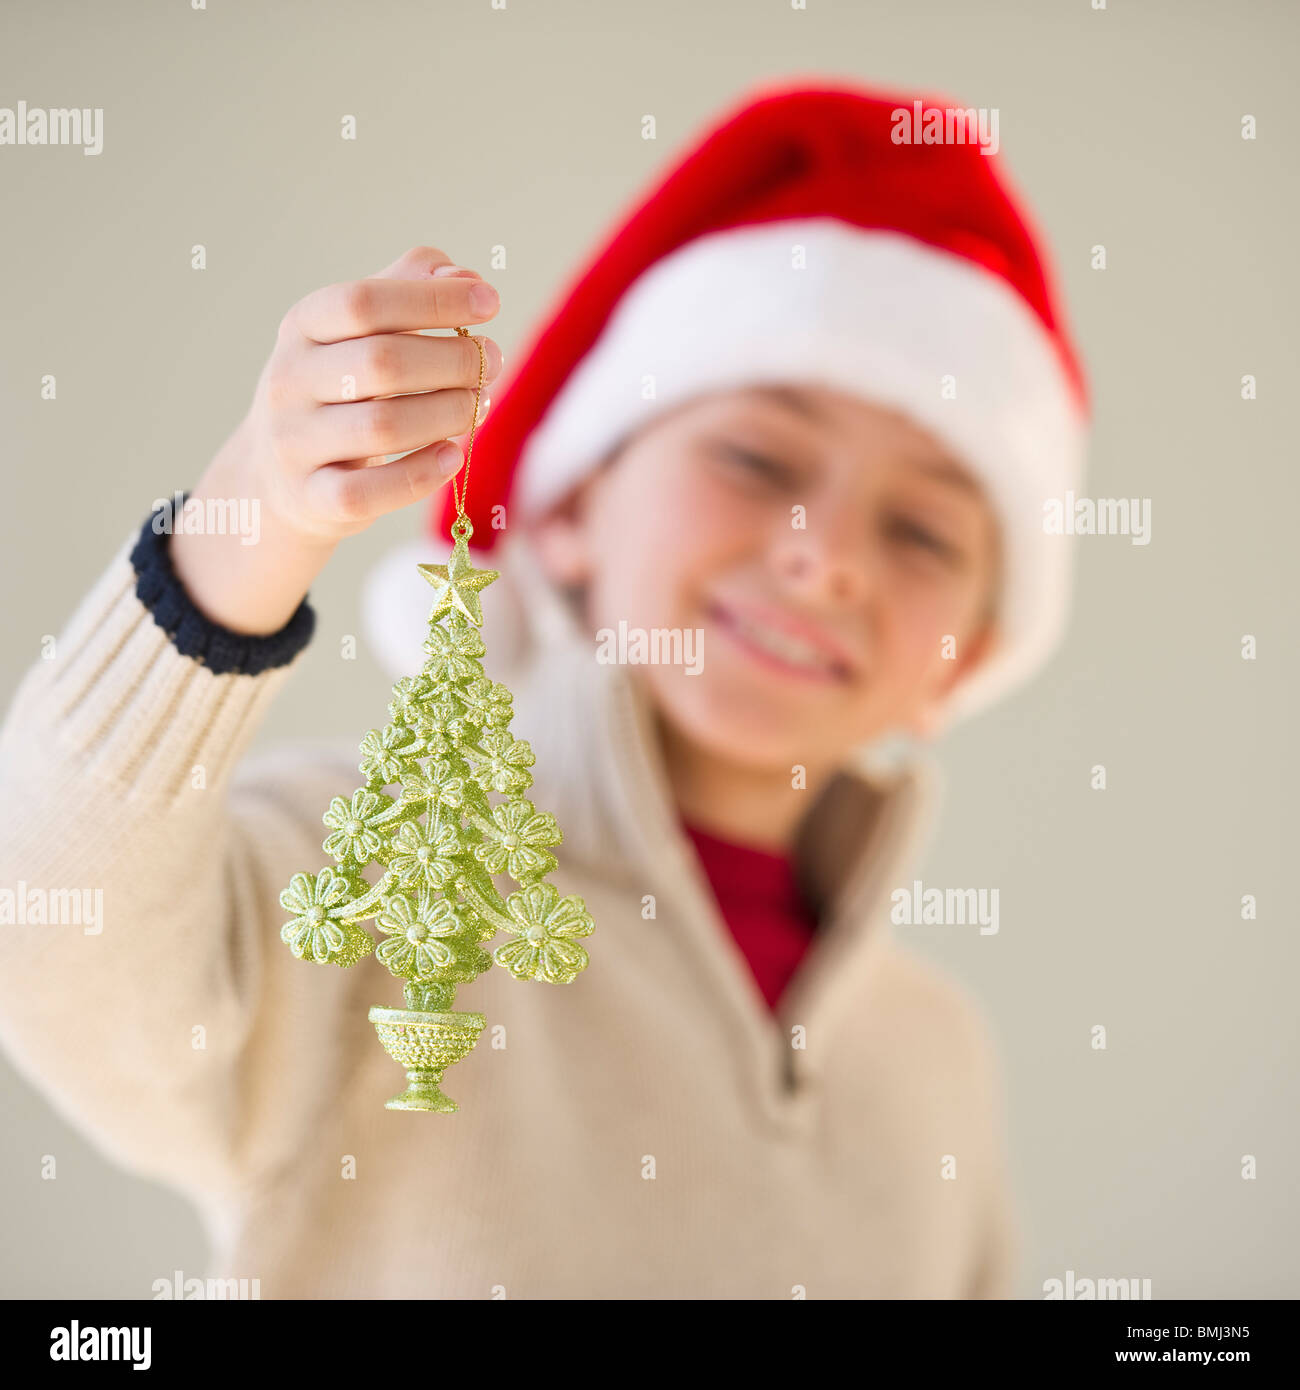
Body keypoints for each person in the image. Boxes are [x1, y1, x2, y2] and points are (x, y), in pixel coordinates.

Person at [0, 80, 1088, 1298]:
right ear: (566, 511)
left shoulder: (934, 1057)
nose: (824, 553)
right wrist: (251, 515)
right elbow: (45, 920)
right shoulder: (380, 882)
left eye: (923, 534)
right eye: (756, 457)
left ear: (966, 658)